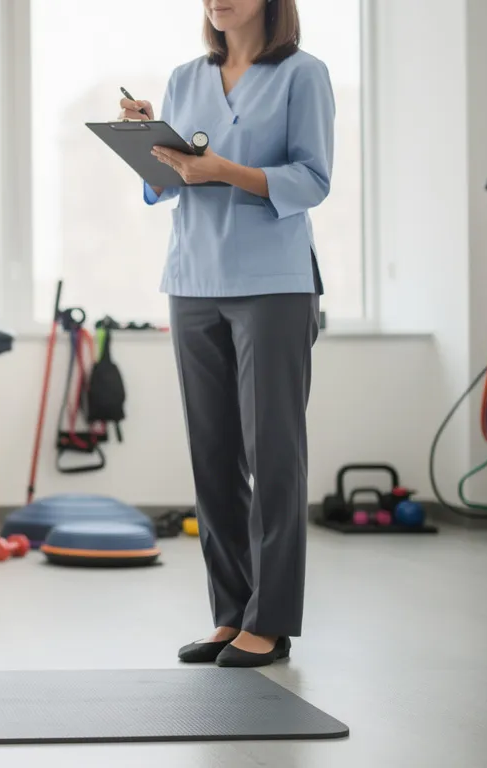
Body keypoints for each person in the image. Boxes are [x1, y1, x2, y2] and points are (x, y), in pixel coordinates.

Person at [119, 0, 332, 667]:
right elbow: (169, 187)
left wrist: (226, 172)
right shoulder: (186, 78)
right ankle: (230, 613)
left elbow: (313, 179)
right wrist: (148, 148)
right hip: (192, 280)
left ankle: (269, 622)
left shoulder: (304, 74)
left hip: (273, 283)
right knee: (212, 458)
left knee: (272, 456)